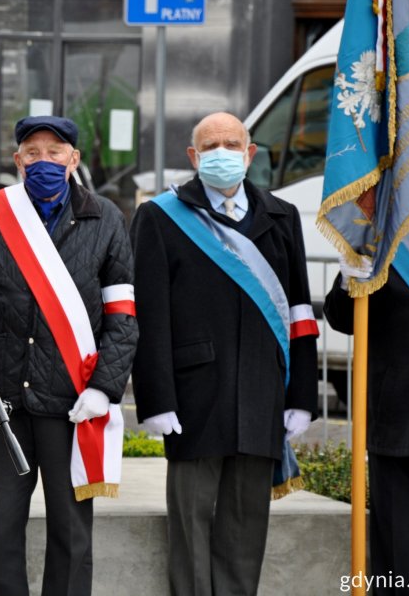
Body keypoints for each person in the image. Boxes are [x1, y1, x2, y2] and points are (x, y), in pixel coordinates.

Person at [130, 111, 319, 595]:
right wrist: (156, 399)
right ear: (193, 157)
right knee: (190, 526)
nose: (222, 154)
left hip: (261, 394)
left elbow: (299, 311)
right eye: (210, 146)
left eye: (232, 144)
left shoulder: (282, 217)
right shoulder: (160, 217)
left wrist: (301, 394)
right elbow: (148, 317)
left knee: (244, 526)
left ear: (250, 153)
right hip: (194, 397)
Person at [0, 115, 138, 596]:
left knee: (70, 531)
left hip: (71, 400)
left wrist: (105, 388)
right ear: (17, 160)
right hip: (4, 401)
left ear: (74, 159)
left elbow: (122, 315)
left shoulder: (105, 218)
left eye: (55, 152)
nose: (44, 161)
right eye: (33, 152)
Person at [324, 209, 409, 595]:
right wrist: (349, 277)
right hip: (398, 408)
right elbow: (342, 319)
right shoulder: (386, 233)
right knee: (398, 558)